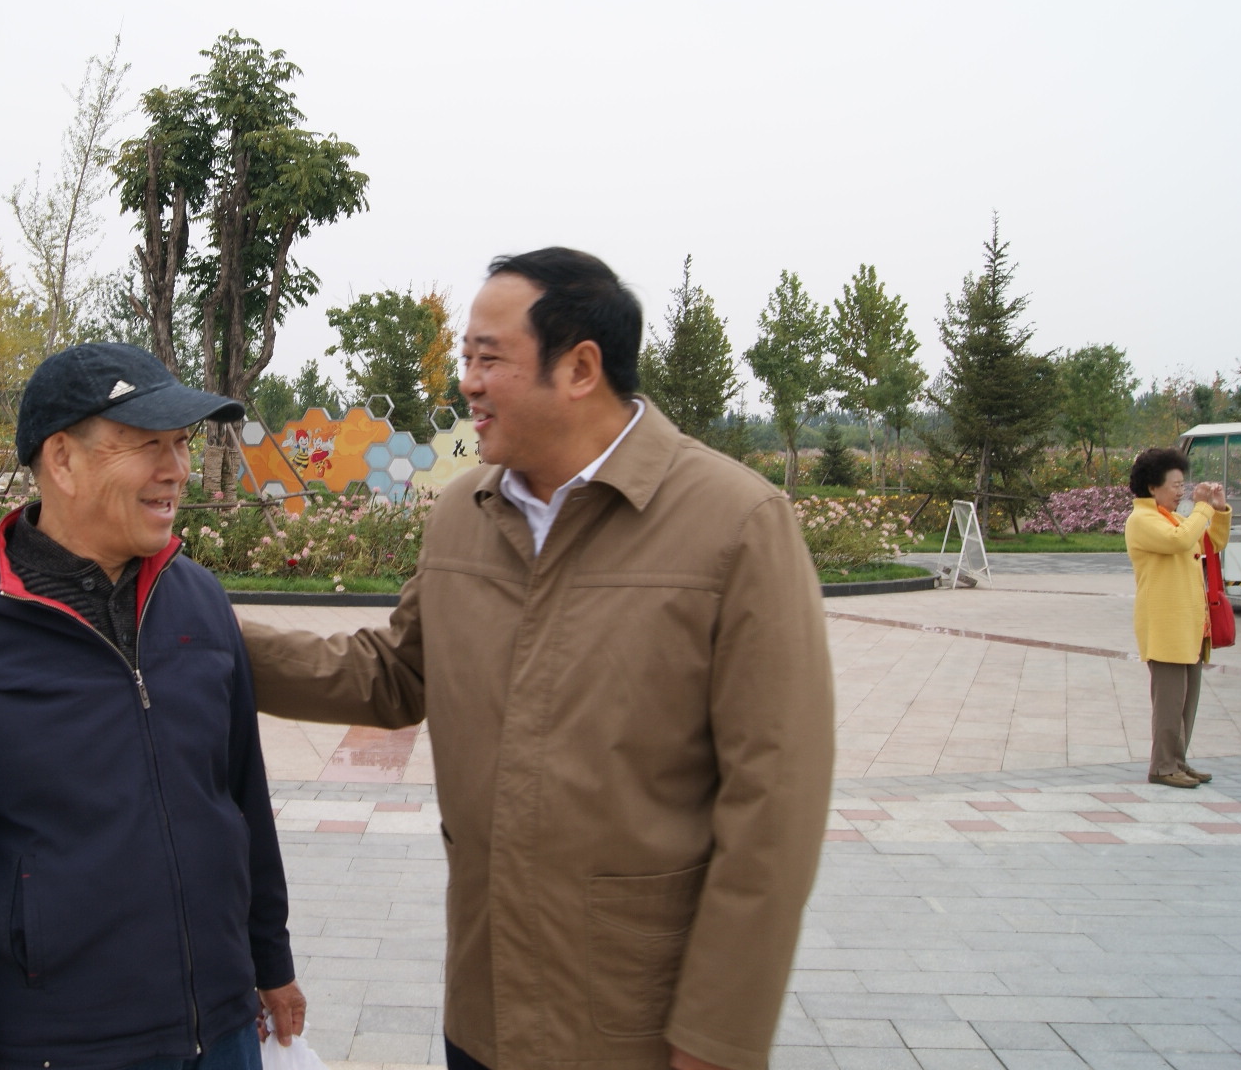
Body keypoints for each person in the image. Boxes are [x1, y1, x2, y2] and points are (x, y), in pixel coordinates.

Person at [241, 248, 834, 1070]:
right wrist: (210, 639)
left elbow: (775, 805)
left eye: (489, 359)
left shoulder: (734, 523)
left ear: (581, 368)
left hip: (635, 1025)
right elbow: (394, 674)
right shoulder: (464, 513)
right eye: (466, 359)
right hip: (485, 1008)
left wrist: (717, 1038)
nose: (468, 384)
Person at [0, 342, 305, 1070]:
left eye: (181, 443)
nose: (177, 470)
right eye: (148, 444)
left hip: (225, 1031)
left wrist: (270, 960)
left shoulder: (200, 603)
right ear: (61, 460)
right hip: (61, 1049)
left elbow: (242, 800)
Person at [1124, 447, 1230, 788]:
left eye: (1183, 485)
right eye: (1175, 485)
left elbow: (1212, 542)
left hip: (1190, 625)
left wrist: (1218, 510)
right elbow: (1180, 541)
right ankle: (1162, 766)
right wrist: (1201, 507)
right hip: (1165, 626)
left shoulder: (1174, 518)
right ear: (1152, 487)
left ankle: (1178, 762)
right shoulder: (1142, 521)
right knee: (1169, 704)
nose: (1181, 491)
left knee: (1186, 702)